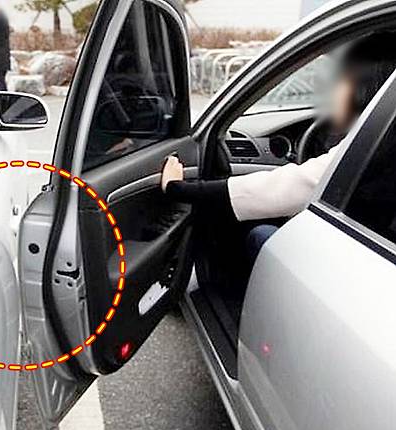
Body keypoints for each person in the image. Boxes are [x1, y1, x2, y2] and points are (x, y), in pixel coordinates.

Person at [161, 32, 396, 260]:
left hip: (356, 265)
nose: (335, 93)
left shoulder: (367, 151)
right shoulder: (383, 143)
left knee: (260, 234)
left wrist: (177, 188)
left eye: (343, 81)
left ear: (364, 90)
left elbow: (285, 188)